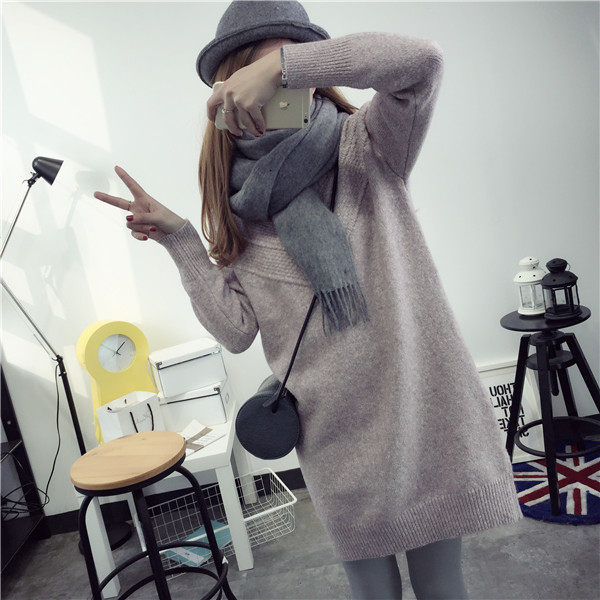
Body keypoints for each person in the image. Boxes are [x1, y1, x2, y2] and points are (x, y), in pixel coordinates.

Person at [94, 2, 523, 598]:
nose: (275, 89)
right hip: (335, 439)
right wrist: (182, 240)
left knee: (441, 588)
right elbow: (237, 331)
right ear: (228, 94)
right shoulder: (241, 208)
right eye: (256, 74)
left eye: (285, 71)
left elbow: (422, 63)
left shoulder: (369, 146)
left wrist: (285, 65)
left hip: (422, 412)